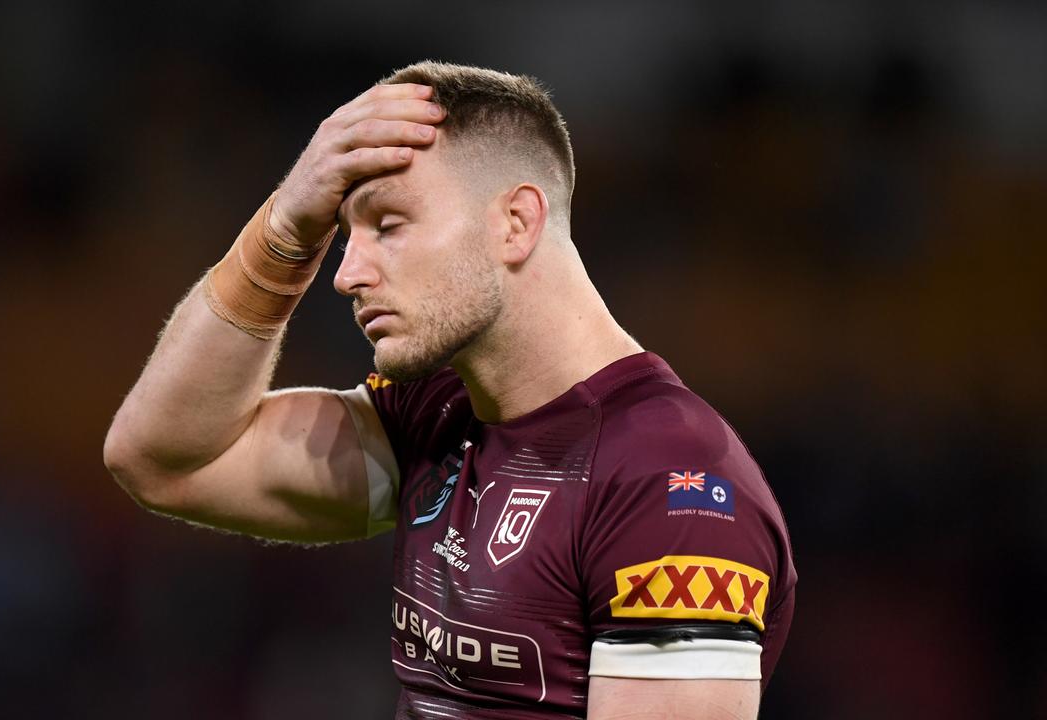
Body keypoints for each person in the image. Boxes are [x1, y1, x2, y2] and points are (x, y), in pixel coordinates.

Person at [104, 61, 796, 719]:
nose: (346, 274)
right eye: (343, 233)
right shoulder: (434, 417)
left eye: (390, 225)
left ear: (516, 223)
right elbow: (164, 457)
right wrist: (285, 228)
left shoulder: (671, 487)